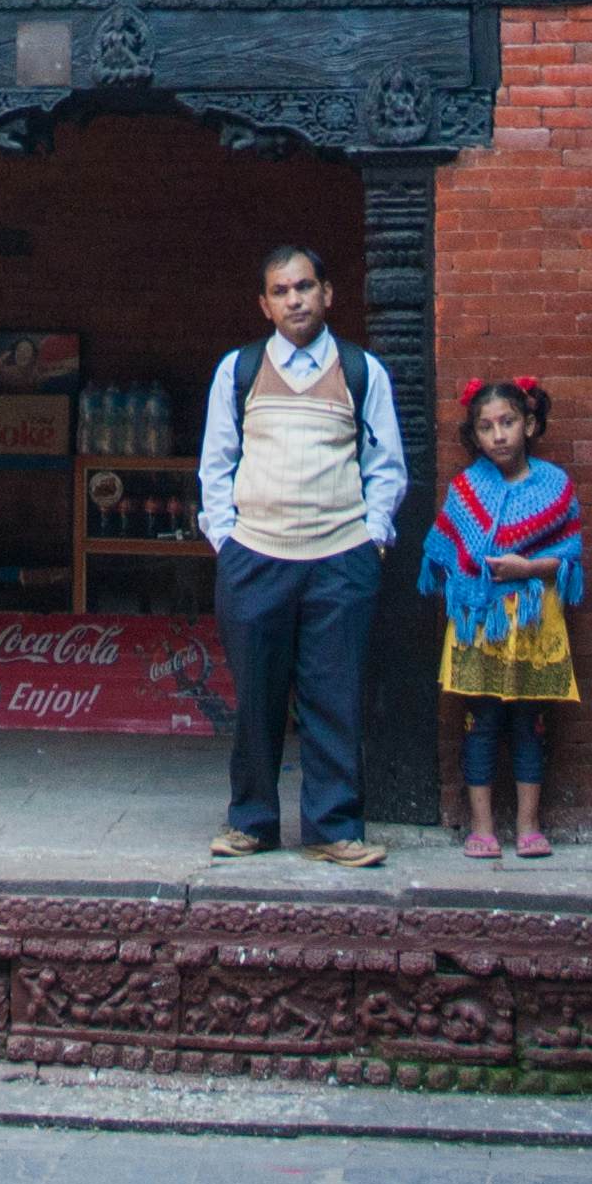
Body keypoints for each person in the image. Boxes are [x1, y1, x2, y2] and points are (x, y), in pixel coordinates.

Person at [199, 240, 405, 866]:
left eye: (305, 287)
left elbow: (386, 467)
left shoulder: (361, 370)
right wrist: (226, 539)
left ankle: (332, 828)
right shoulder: (239, 370)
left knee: (333, 697)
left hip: (341, 557)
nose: (295, 299)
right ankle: (251, 823)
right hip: (255, 557)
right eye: (282, 291)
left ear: (328, 294)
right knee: (257, 696)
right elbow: (217, 464)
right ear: (265, 305)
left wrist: (373, 537)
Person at [422, 377, 584, 859]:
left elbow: (570, 554)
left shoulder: (556, 486)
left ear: (530, 424)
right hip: (480, 620)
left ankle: (530, 826)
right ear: (474, 435)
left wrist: (526, 568)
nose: (499, 435)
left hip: (534, 622)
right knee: (481, 722)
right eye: (486, 426)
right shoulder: (465, 488)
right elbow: (448, 551)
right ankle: (482, 826)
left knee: (530, 723)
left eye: (508, 422)